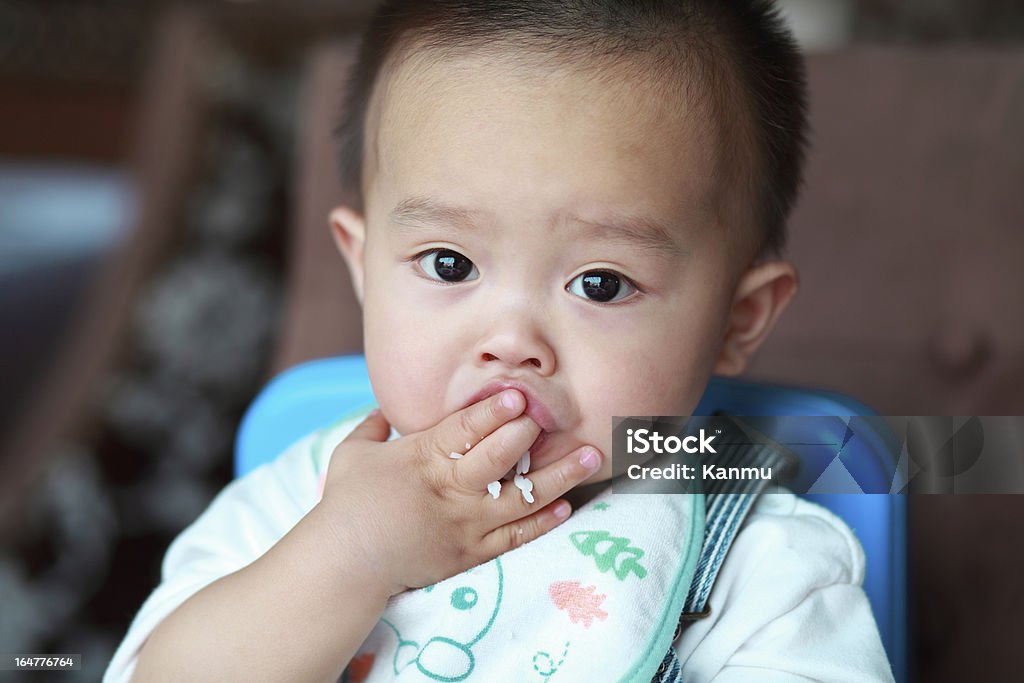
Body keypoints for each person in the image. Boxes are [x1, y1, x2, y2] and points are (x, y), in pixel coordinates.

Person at [107, 1, 893, 680]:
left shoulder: (762, 564)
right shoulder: (293, 506)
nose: (511, 342)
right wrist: (348, 555)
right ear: (363, 266)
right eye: (449, 264)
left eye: (601, 283)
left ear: (737, 320)